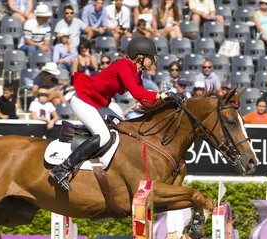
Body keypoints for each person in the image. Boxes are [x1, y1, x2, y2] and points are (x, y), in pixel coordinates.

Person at [49, 37, 185, 191]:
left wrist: (168, 103)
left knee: (123, 128)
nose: (154, 61)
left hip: (97, 103)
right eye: (151, 57)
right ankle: (62, 168)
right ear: (141, 57)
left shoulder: (137, 72)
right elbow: (138, 93)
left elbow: (146, 101)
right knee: (104, 136)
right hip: (83, 100)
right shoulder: (124, 65)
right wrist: (164, 95)